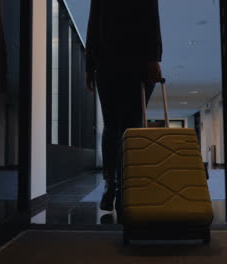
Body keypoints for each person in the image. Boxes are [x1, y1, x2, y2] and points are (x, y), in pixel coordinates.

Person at [85, 0, 163, 213]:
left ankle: (111, 185)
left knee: (112, 125)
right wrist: (154, 59)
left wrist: (89, 66)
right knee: (133, 127)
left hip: (107, 62)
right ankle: (127, 187)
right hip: (139, 63)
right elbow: (152, 20)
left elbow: (93, 24)